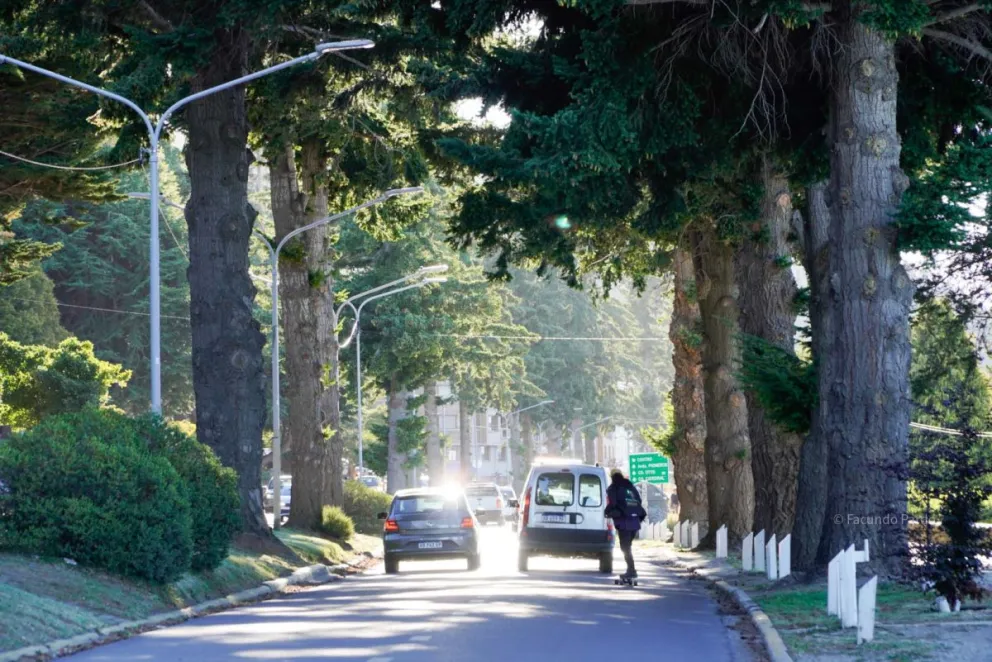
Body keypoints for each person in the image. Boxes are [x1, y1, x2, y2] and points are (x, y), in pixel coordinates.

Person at [605, 469, 646, 579]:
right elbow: (639, 500)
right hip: (635, 521)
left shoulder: (613, 488)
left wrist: (606, 512)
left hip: (624, 522)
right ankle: (631, 569)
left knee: (625, 547)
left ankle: (631, 570)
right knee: (628, 546)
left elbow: (612, 503)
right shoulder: (630, 486)